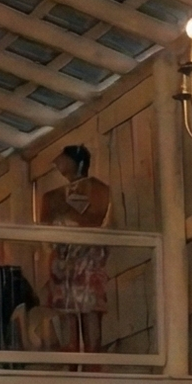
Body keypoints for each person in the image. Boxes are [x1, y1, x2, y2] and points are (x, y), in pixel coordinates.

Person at [37, 145, 113, 354]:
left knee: (90, 310)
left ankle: (92, 361)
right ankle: (71, 359)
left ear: (77, 162)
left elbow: (95, 216)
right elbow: (45, 228)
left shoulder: (98, 189)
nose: (58, 163)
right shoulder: (52, 196)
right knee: (66, 312)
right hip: (62, 260)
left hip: (88, 259)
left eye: (63, 159)